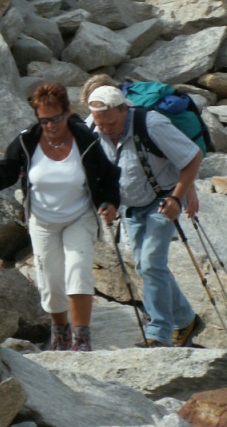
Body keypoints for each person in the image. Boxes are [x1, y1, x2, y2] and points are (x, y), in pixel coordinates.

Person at [0, 83, 120, 352]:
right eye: (44, 120)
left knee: (78, 271)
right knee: (50, 279)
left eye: (56, 119)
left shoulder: (85, 139)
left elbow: (109, 176)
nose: (50, 126)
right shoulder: (27, 141)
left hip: (80, 216)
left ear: (68, 113)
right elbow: (6, 171)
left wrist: (110, 203)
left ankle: (82, 339)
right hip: (42, 220)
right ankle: (60, 333)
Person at [87, 85, 204, 348]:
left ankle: (159, 334)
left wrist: (178, 198)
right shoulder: (92, 128)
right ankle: (186, 320)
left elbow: (192, 157)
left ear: (124, 110)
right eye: (100, 124)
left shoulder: (152, 125)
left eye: (111, 123)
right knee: (145, 267)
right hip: (130, 206)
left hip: (163, 200)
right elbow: (93, 168)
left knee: (150, 264)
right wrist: (108, 201)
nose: (106, 129)